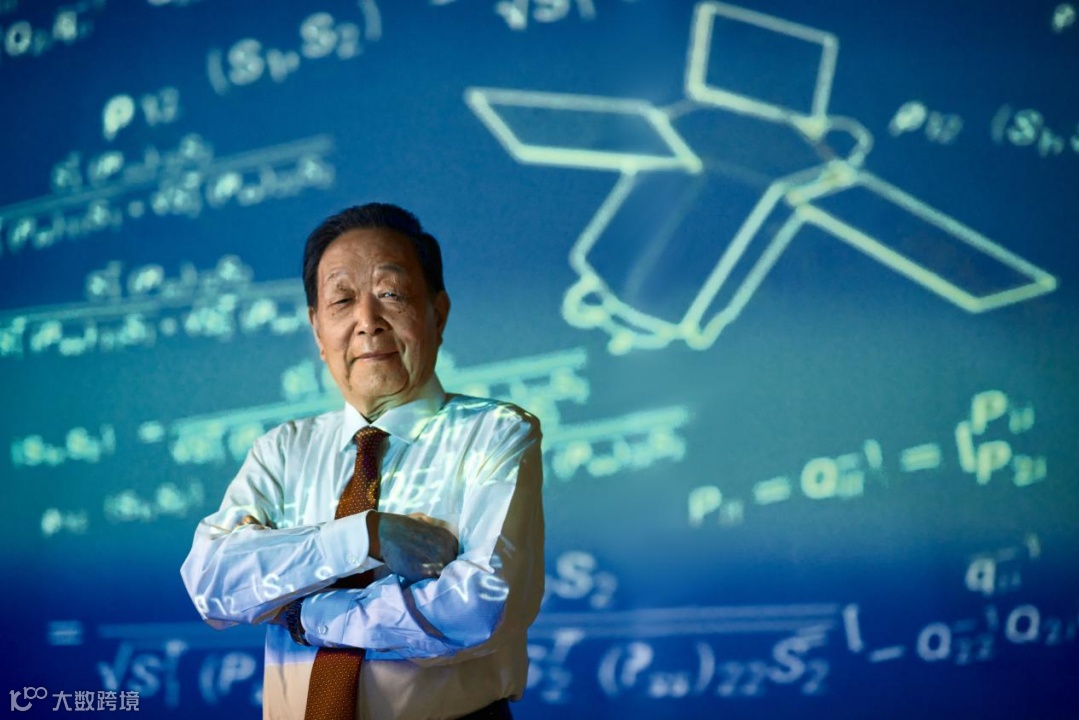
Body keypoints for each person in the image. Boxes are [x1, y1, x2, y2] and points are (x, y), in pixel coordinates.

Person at [181, 203, 545, 720]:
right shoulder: (282, 450)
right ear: (316, 329)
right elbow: (212, 581)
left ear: (438, 313)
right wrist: (364, 536)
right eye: (342, 300)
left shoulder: (495, 433)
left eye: (391, 294)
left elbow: (480, 609)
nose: (368, 323)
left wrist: (308, 614)